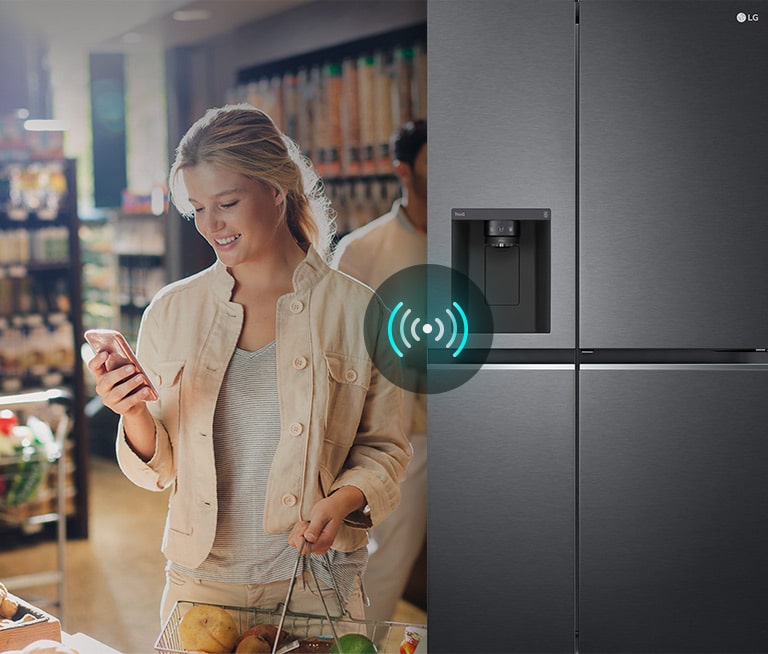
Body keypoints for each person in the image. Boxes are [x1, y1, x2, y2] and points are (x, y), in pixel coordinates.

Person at [87, 103, 411, 625]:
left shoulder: (359, 310)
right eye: (197, 209)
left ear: (275, 189)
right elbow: (160, 470)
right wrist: (132, 413)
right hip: (200, 586)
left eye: (228, 203)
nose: (212, 226)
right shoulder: (171, 311)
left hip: (316, 587)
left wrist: (342, 501)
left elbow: (386, 451)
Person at [331, 119, 427, 623]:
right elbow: (337, 347)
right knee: (385, 562)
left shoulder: (482, 239)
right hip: (403, 440)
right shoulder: (363, 250)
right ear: (404, 171)